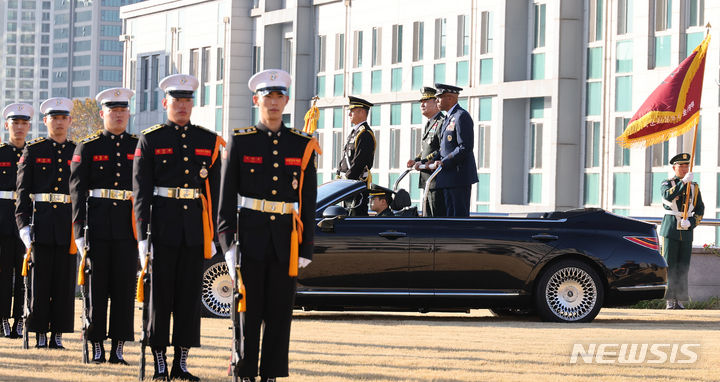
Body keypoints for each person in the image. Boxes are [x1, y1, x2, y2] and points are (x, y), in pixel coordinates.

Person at [217, 69, 317, 382]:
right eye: (267, 96)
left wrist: (306, 246)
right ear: (256, 100)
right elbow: (225, 198)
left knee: (279, 313)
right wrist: (228, 245)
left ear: (286, 100)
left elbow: (309, 201)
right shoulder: (241, 141)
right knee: (248, 310)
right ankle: (244, 371)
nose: (273, 103)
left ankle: (271, 373)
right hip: (249, 236)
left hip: (285, 241)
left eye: (278, 96)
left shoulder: (302, 144)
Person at [133, 74, 224, 381]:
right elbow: (141, 192)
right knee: (160, 297)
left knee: (188, 298)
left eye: (187, 101)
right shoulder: (151, 139)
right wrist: (142, 236)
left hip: (195, 229)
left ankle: (181, 362)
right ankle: (159, 361)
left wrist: (212, 233)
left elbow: (214, 192)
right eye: (177, 101)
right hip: (161, 226)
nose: (182, 106)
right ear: (165, 103)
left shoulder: (207, 140)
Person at [69, 88, 138, 364]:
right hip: (96, 227)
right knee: (96, 289)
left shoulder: (137, 145)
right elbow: (76, 192)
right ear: (102, 114)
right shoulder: (89, 145)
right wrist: (78, 231)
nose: (118, 115)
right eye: (113, 111)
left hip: (127, 228)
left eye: (122, 111)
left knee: (124, 290)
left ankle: (118, 349)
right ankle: (96, 345)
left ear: (128, 113)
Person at [15, 97, 77, 348]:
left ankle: (58, 335)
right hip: (40, 223)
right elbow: (22, 192)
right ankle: (40, 333)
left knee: (64, 282)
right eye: (54, 118)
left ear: (70, 121)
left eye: (63, 118)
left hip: (67, 224)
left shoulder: (77, 150)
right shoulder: (34, 149)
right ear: (45, 121)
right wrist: (23, 226)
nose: (59, 122)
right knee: (39, 282)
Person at [0, 103, 31, 339]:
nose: (19, 128)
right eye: (15, 123)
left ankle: (21, 319)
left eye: (23, 123)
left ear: (29, 126)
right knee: (2, 273)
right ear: (6, 125)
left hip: (25, 222)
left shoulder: (33, 153)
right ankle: (2, 320)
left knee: (23, 273)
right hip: (1, 218)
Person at [659, 153, 704, 309]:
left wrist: (691, 222)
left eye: (686, 166)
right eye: (681, 166)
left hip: (686, 230)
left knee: (683, 265)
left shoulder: (694, 187)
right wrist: (682, 183)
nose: (685, 169)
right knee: (670, 265)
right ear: (674, 168)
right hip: (670, 228)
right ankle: (669, 300)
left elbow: (700, 208)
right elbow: (667, 197)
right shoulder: (667, 183)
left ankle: (679, 299)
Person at [432, 83, 478, 217]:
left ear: (450, 98)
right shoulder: (447, 118)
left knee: (458, 217)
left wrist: (445, 162)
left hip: (458, 177)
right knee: (448, 217)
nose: (436, 101)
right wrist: (433, 161)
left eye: (439, 97)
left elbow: (465, 147)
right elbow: (444, 148)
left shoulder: (461, 116)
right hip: (447, 177)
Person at [407, 87, 445, 217]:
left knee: (435, 218)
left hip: (436, 180)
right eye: (421, 102)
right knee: (426, 216)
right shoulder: (429, 123)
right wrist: (416, 160)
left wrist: (423, 161)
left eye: (426, 101)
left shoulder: (441, 122)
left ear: (436, 102)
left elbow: (441, 150)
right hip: (426, 178)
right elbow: (426, 149)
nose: (422, 104)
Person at [337, 96, 376, 216]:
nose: (349, 114)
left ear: (362, 112)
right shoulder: (356, 132)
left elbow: (359, 161)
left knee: (355, 216)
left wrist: (347, 180)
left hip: (355, 184)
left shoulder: (365, 133)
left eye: (352, 111)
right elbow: (346, 157)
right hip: (349, 184)